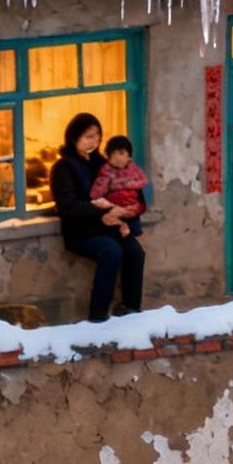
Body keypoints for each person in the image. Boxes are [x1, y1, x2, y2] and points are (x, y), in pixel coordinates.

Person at [51, 111, 145, 323]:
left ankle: (131, 309)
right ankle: (98, 314)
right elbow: (68, 206)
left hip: (109, 226)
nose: (93, 142)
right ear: (74, 138)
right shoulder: (64, 167)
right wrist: (100, 210)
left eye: (97, 137)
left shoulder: (102, 164)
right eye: (88, 137)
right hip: (81, 230)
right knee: (111, 251)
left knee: (135, 252)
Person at [90, 133, 149, 222]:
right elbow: (95, 195)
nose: (117, 157)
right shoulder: (105, 174)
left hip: (133, 216)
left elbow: (143, 203)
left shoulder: (136, 175)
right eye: (113, 153)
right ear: (108, 156)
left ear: (129, 157)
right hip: (112, 216)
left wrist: (133, 210)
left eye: (121, 153)